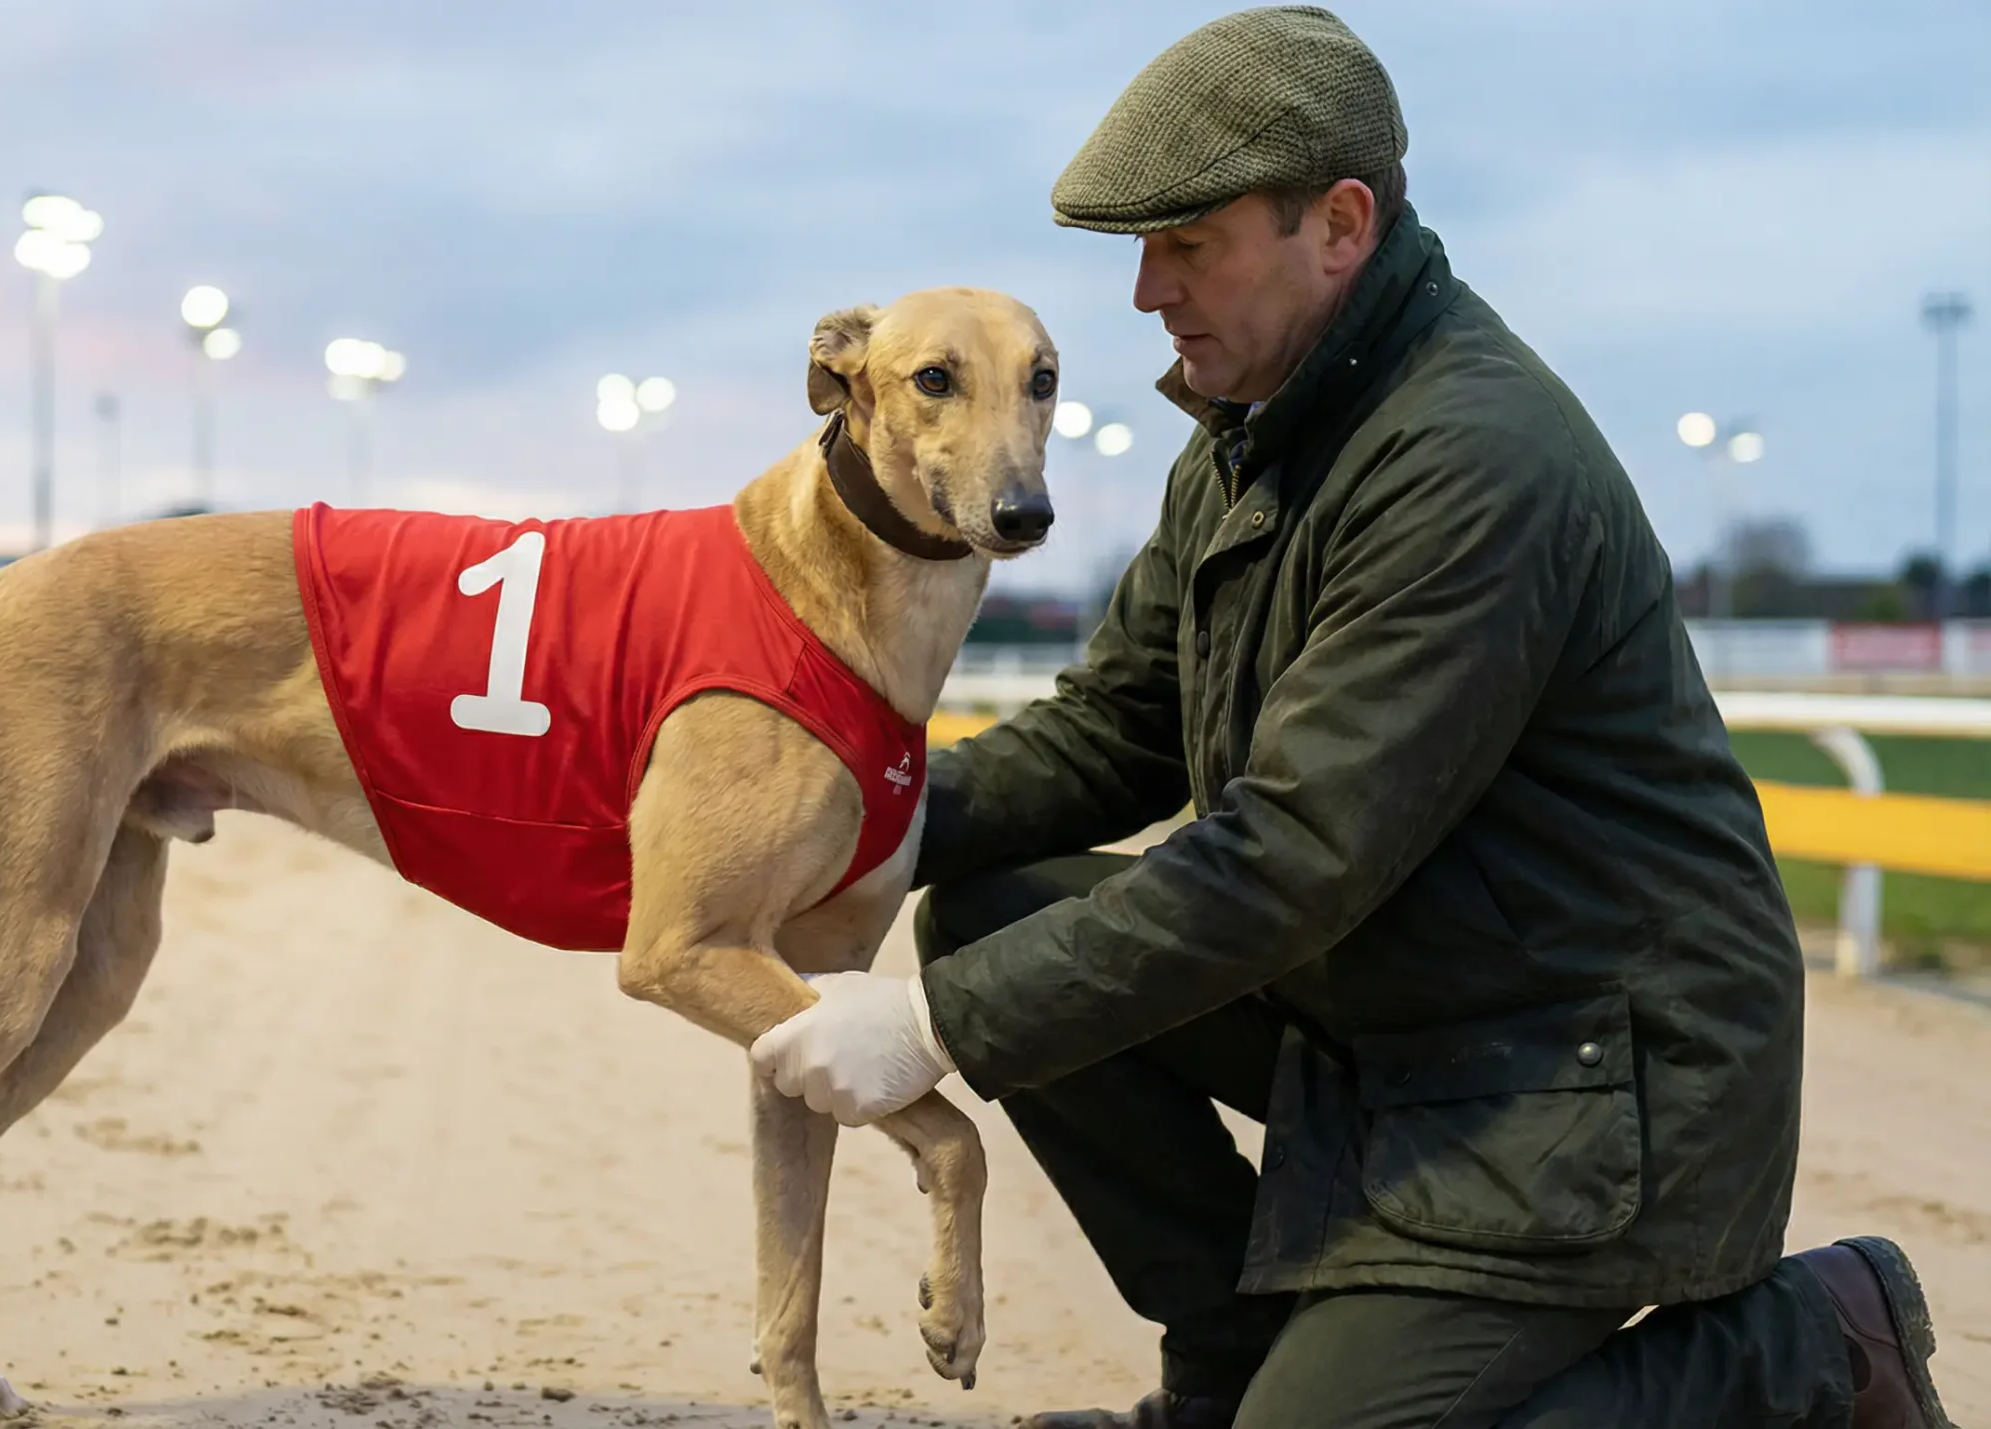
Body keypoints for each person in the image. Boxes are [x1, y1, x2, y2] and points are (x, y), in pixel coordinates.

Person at [748, 8, 1956, 1428]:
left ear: (1338, 224)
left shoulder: (1472, 459)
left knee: (999, 996)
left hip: (1594, 1075)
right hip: (1409, 1014)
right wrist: (840, 814)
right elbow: (1115, 730)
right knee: (993, 915)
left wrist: (935, 1026)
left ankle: (1813, 1348)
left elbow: (1295, 853)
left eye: (1188, 244)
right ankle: (1232, 1377)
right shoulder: (1255, 430)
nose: (1144, 291)